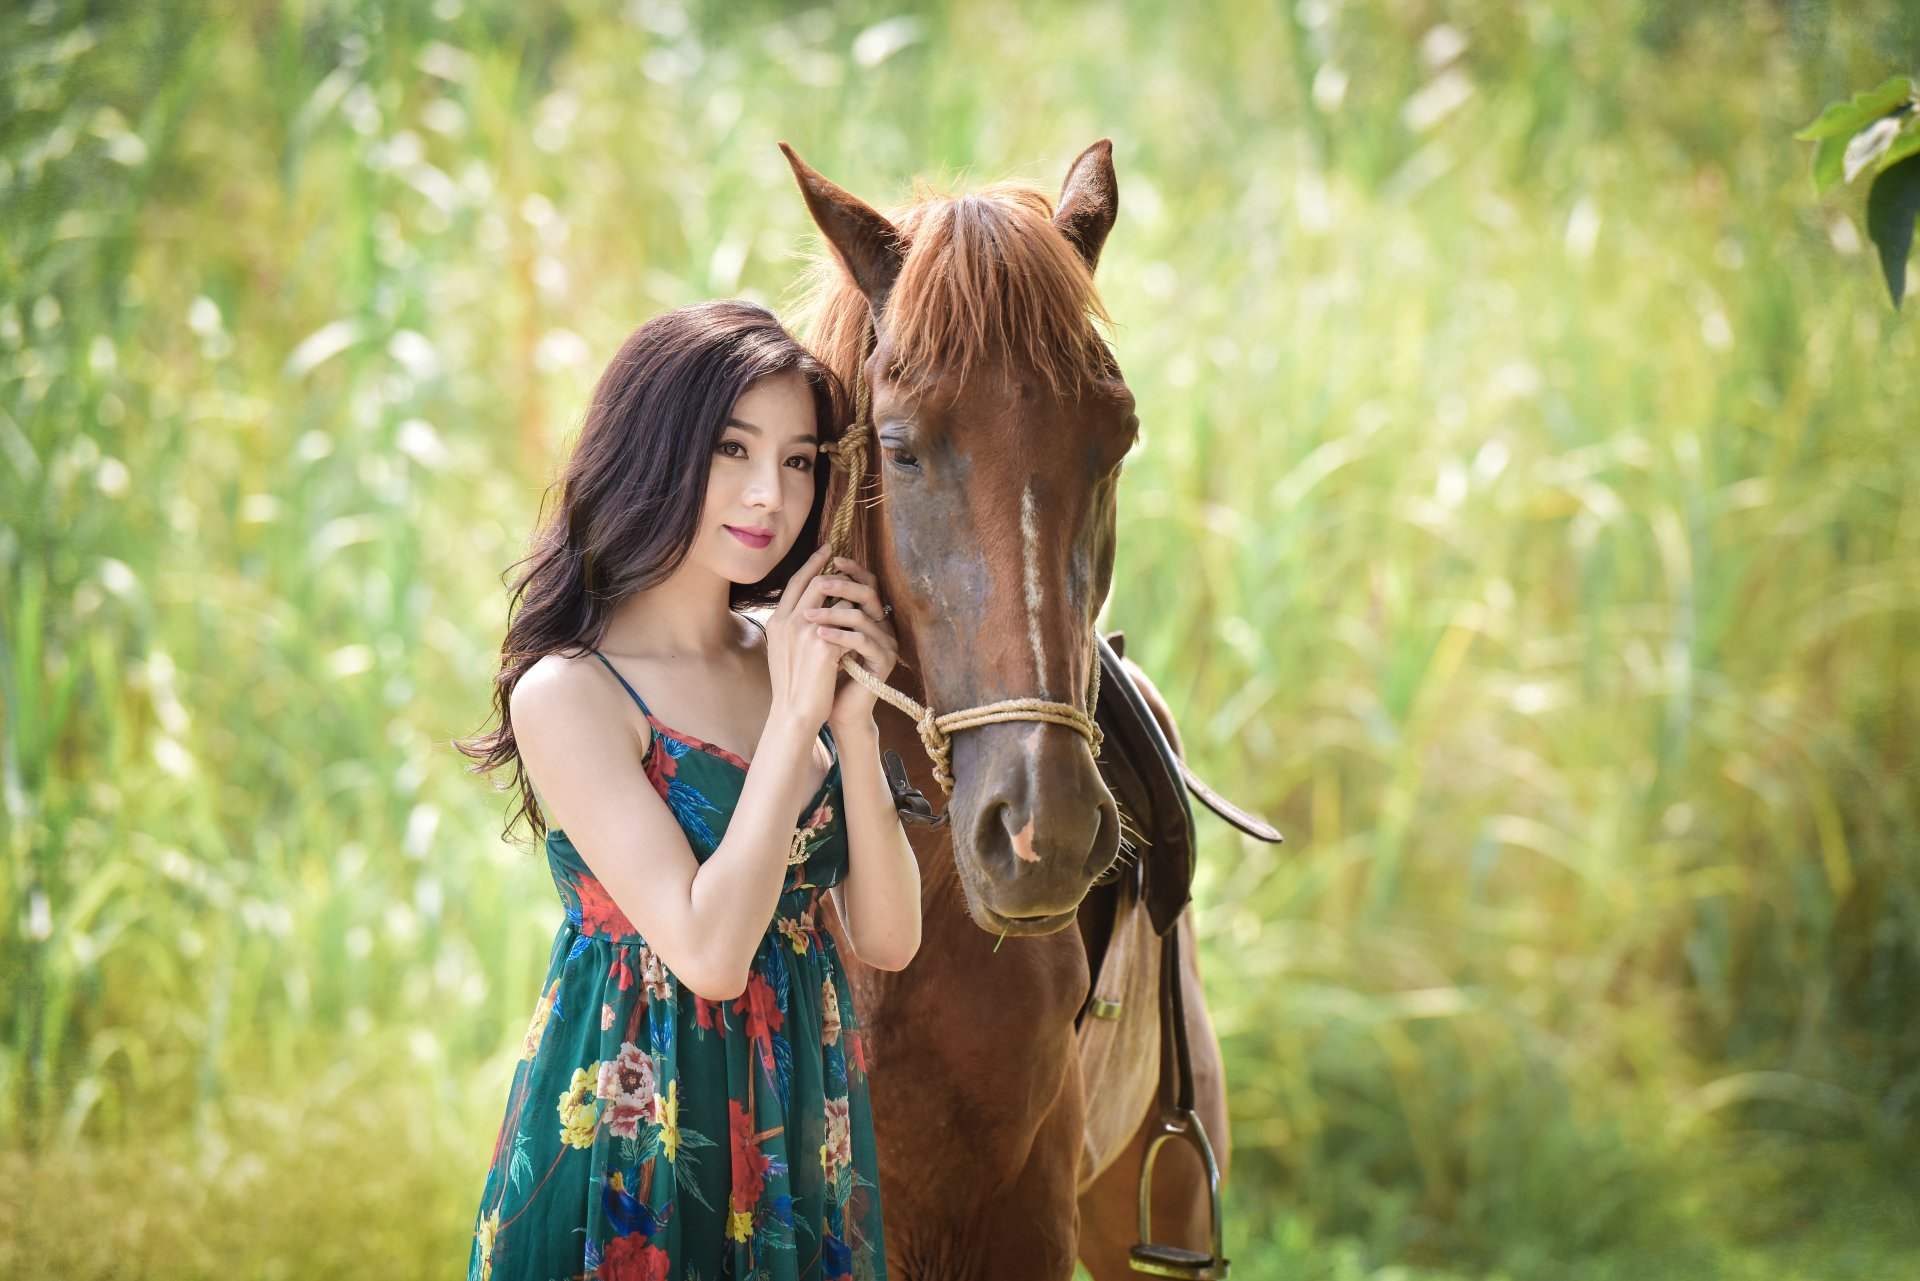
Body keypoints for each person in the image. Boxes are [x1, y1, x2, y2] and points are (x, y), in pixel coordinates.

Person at [460, 300, 918, 1280]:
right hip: (641, 1131)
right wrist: (793, 722)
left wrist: (850, 725)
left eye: (799, 461)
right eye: (732, 449)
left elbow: (887, 937)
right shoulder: (573, 691)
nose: (769, 495)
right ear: (655, 449)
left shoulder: (786, 659)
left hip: (798, 1122)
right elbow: (709, 953)